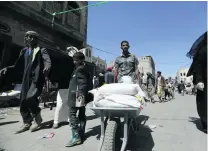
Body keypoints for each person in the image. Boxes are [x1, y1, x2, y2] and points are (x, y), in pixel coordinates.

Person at [0, 31, 51, 133]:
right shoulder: (24, 51)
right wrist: (8, 68)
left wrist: (47, 66)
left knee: (30, 98)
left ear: (37, 39)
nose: (30, 39)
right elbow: (17, 65)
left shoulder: (41, 50)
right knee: (23, 101)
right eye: (28, 37)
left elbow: (47, 60)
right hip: (25, 79)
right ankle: (26, 122)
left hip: (36, 79)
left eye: (33, 37)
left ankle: (37, 116)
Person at [65, 52, 90, 147]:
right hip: (79, 96)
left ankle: (76, 137)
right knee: (82, 114)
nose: (74, 61)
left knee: (72, 115)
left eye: (76, 60)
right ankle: (81, 133)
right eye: (74, 59)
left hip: (77, 96)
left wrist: (80, 96)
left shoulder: (80, 69)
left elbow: (82, 83)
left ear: (82, 60)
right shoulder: (82, 68)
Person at [186, 31, 207, 133]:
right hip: (205, 82)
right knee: (204, 104)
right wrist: (199, 80)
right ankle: (205, 123)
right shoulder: (203, 50)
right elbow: (197, 67)